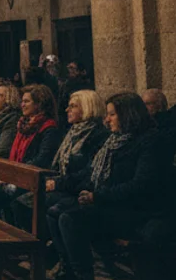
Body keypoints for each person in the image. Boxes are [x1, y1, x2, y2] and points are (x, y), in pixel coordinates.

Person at [46, 93, 172, 280]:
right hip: (110, 205)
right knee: (53, 211)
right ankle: (69, 271)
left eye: (112, 115)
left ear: (128, 115)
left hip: (134, 211)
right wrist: (59, 183)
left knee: (70, 218)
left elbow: (141, 185)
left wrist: (98, 196)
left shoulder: (149, 142)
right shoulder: (113, 141)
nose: (107, 120)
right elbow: (90, 172)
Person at [11, 90, 109, 231]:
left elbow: (89, 172)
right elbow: (57, 166)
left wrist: (57, 183)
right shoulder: (72, 132)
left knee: (27, 204)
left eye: (73, 106)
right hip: (63, 184)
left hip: (77, 189)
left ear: (87, 107)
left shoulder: (98, 135)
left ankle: (43, 246)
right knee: (18, 201)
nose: (67, 109)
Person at [0, 84, 62, 218]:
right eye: (22, 101)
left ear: (39, 104)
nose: (22, 105)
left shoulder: (49, 129)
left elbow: (42, 160)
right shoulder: (23, 125)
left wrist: (11, 175)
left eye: (27, 101)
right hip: (17, 173)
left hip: (33, 178)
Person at [142, 88, 176, 153]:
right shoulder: (148, 123)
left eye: (147, 103)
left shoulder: (173, 124)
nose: (143, 107)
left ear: (159, 105)